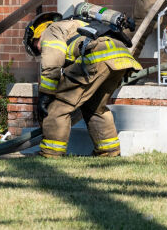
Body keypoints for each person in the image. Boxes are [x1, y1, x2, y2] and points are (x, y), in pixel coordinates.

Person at [23, 10, 141, 158]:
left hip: (97, 57)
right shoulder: (76, 24)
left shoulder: (50, 31)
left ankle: (51, 154)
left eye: (36, 47)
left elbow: (53, 62)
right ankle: (109, 152)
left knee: (58, 106)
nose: (40, 51)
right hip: (120, 57)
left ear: (37, 36)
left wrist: (46, 94)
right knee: (95, 107)